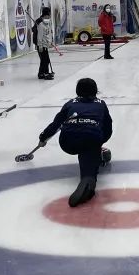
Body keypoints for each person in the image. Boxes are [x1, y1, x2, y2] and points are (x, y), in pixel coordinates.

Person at [38, 77, 113, 207]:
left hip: (67, 141)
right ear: (95, 90)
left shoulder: (70, 103)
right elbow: (108, 128)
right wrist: (99, 143)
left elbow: (56, 124)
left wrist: (43, 138)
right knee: (89, 151)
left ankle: (90, 157)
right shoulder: (101, 104)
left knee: (85, 145)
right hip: (90, 138)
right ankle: (88, 182)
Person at [35, 6, 56, 80]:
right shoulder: (41, 25)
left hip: (45, 45)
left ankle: (42, 73)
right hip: (42, 46)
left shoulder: (47, 24)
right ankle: (44, 74)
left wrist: (50, 42)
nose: (50, 16)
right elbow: (39, 36)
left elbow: (47, 35)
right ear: (46, 15)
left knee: (46, 60)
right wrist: (40, 46)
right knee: (45, 60)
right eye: (49, 14)